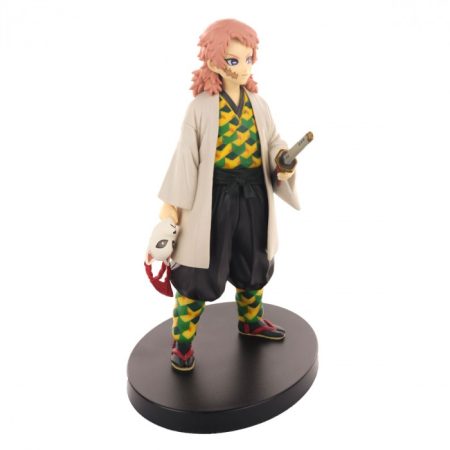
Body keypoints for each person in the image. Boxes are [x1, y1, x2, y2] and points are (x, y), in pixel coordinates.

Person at [154, 18, 300, 372]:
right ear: (213, 60)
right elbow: (185, 160)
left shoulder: (258, 104)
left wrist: (282, 161)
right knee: (199, 270)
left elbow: (273, 142)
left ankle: (250, 320)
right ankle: (183, 341)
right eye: (233, 60)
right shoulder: (201, 108)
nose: (243, 67)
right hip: (213, 199)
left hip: (254, 195)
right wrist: (170, 212)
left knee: (254, 260)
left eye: (248, 59)